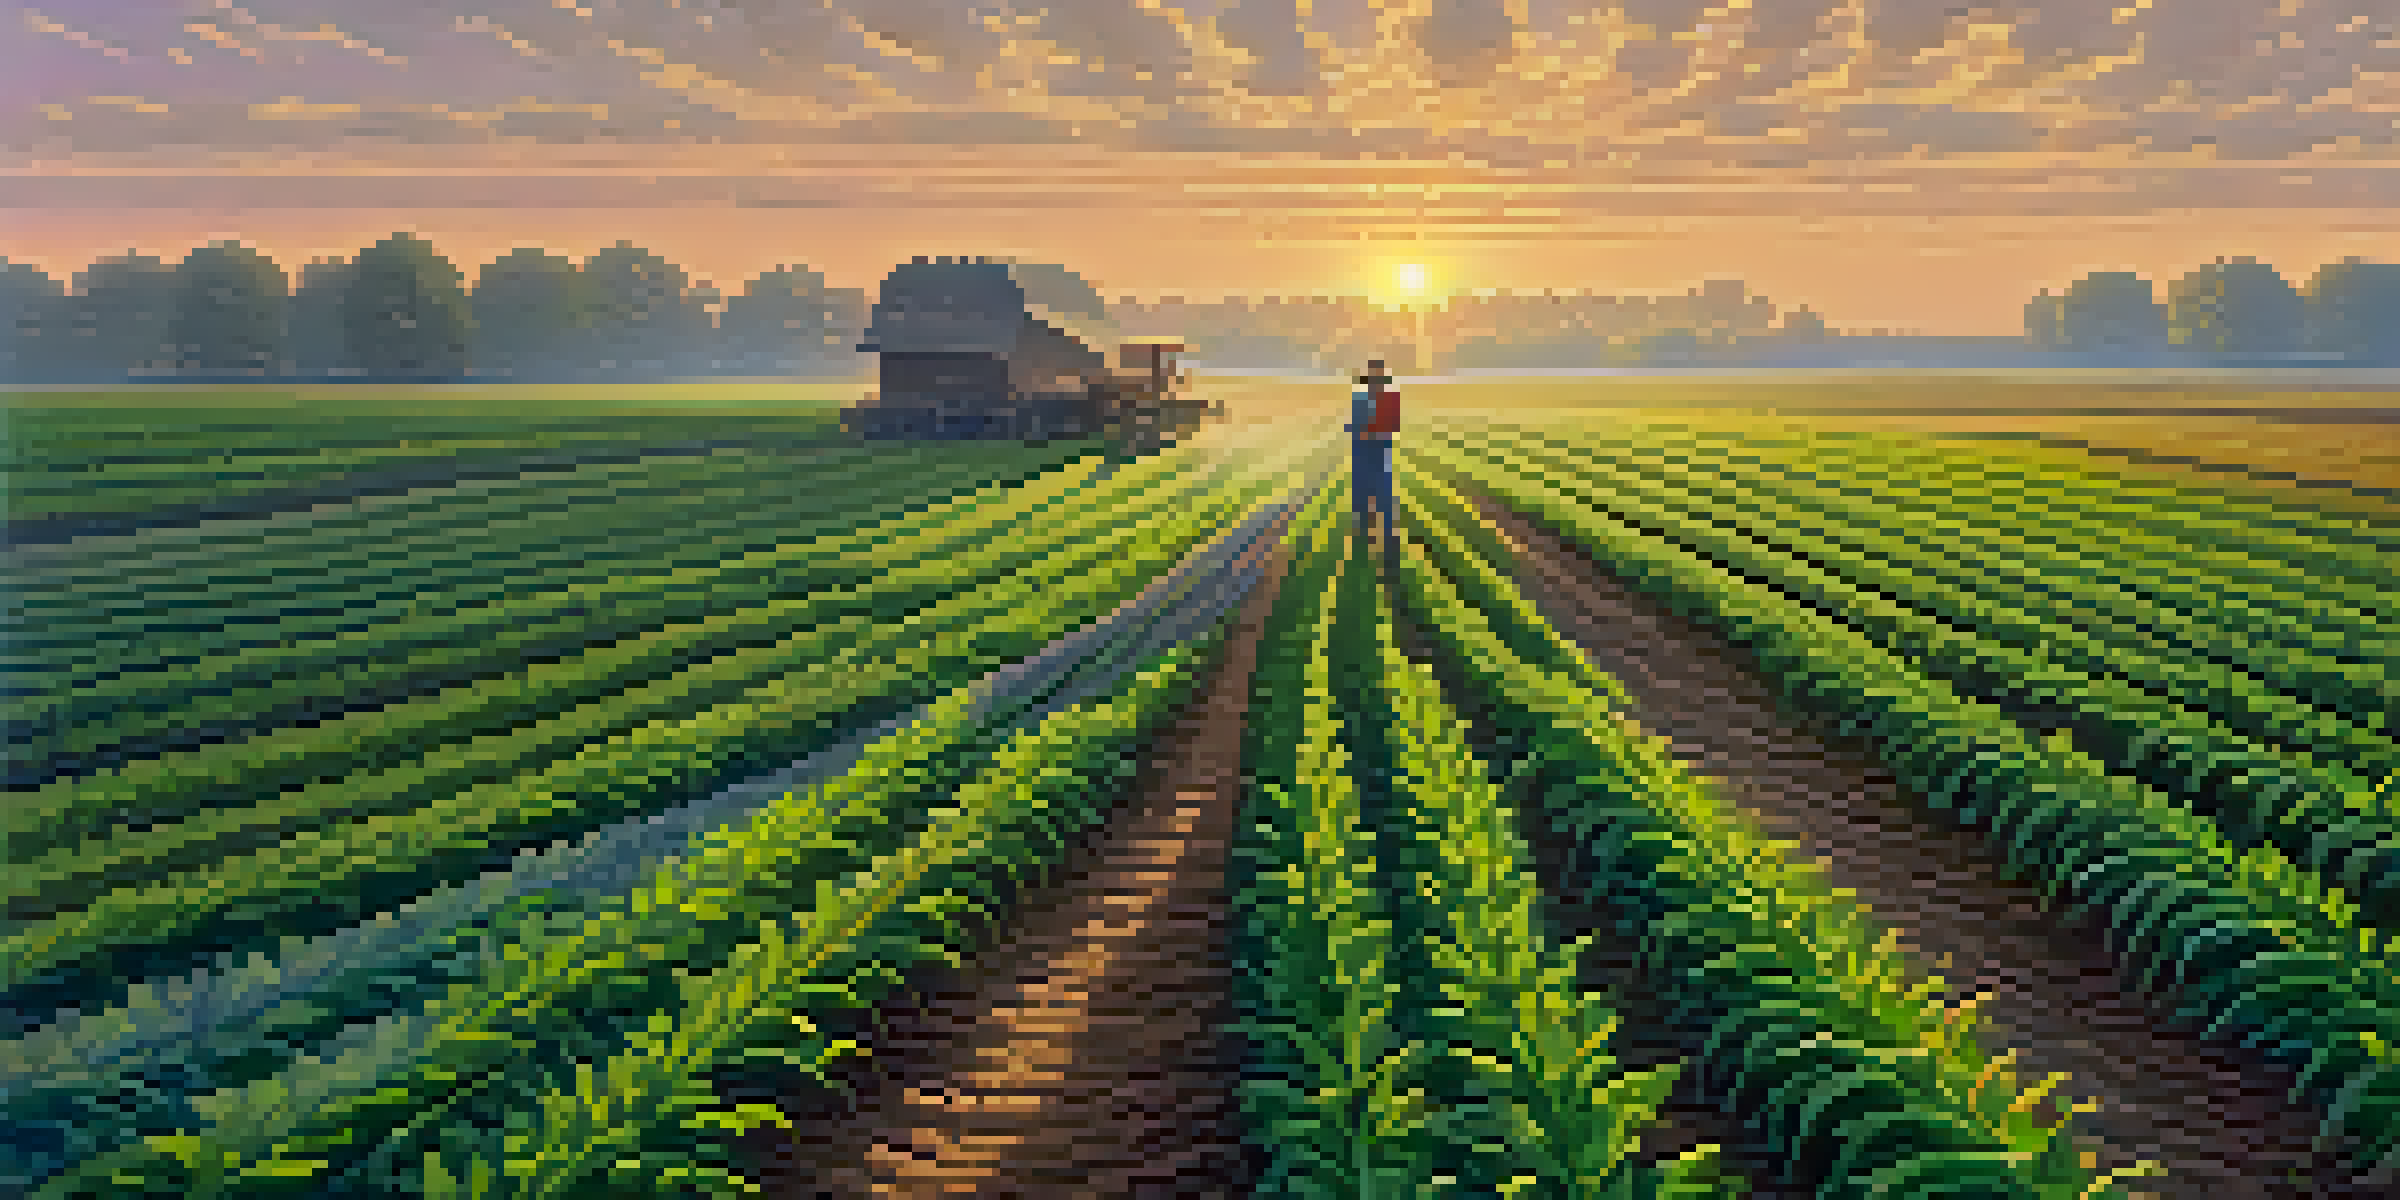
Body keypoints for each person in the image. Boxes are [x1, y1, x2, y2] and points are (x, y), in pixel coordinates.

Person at [1346, 359, 1399, 547]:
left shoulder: (1391, 399)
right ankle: (1364, 532)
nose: (1375, 381)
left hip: (1379, 451)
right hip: (1362, 452)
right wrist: (1355, 429)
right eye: (1372, 377)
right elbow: (1353, 424)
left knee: (1382, 493)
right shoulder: (1359, 399)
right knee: (1362, 495)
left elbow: (1393, 426)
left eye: (1378, 377)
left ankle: (1386, 534)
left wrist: (1369, 431)